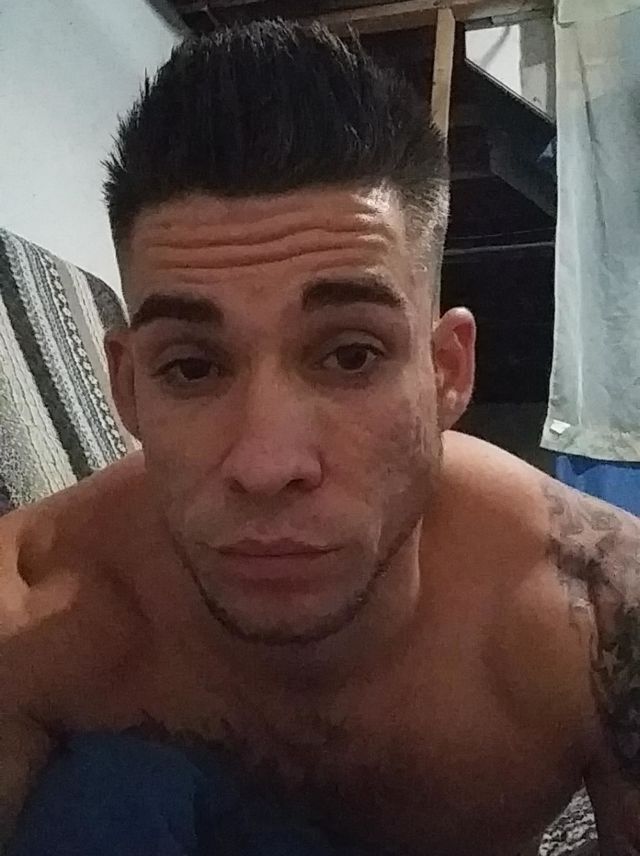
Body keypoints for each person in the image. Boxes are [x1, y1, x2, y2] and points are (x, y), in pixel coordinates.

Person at [0, 18, 639, 856]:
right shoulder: (28, 617)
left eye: (350, 355)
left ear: (447, 373)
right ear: (127, 389)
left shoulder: (602, 617)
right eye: (192, 367)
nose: (267, 465)